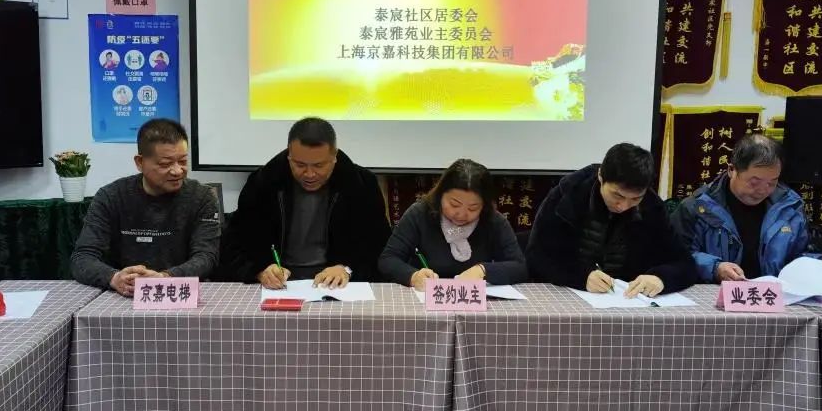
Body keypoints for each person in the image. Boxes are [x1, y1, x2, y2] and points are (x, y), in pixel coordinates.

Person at [221, 117, 390, 288]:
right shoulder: (263, 183)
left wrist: (346, 269)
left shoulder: (362, 186)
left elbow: (379, 247)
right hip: (281, 285)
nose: (309, 174)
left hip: (334, 286)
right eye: (300, 165)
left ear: (334, 158)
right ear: (289, 156)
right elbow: (235, 243)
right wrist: (260, 269)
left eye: (319, 165)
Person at [71, 118, 221, 296]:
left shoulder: (202, 197)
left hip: (180, 294)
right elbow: (83, 257)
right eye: (165, 164)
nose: (177, 171)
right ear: (140, 162)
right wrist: (114, 278)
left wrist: (165, 278)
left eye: (182, 161)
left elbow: (207, 257)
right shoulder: (111, 197)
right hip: (124, 295)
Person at [526, 142, 696, 297]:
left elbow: (684, 263)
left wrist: (661, 278)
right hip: (569, 296)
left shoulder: (652, 207)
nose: (623, 206)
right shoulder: (568, 196)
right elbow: (537, 256)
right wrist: (581, 276)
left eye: (635, 199)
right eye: (617, 195)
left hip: (627, 299)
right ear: (601, 176)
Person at [672, 133, 821, 282]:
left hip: (773, 294)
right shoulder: (697, 208)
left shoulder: (790, 208)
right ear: (732, 170)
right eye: (754, 182)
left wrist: (819, 263)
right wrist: (715, 268)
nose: (763, 190)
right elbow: (674, 256)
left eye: (772, 182)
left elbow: (803, 253)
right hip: (713, 293)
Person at [378, 159, 527, 290]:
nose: (461, 214)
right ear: (440, 195)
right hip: (425, 300)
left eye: (473, 208)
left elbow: (519, 267)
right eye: (454, 204)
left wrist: (483, 270)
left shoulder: (493, 221)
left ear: (484, 205)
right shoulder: (420, 214)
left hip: (475, 302)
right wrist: (413, 276)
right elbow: (388, 259)